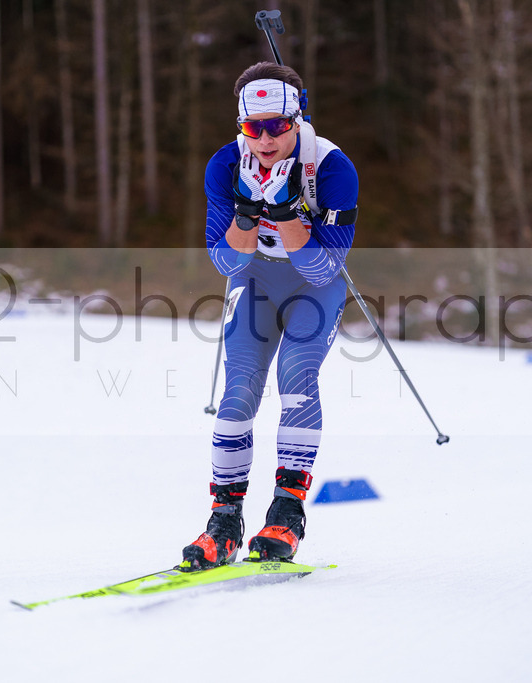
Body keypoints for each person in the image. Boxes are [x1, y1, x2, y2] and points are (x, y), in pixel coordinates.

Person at [180, 62, 359, 570]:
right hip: (253, 280)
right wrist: (245, 213)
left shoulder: (331, 168)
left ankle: (286, 513)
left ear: (297, 118)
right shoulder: (224, 164)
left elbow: (325, 268)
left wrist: (285, 214)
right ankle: (224, 523)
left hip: (312, 288)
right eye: (251, 127)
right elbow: (225, 261)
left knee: (297, 377)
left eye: (276, 126)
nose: (263, 139)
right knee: (237, 393)